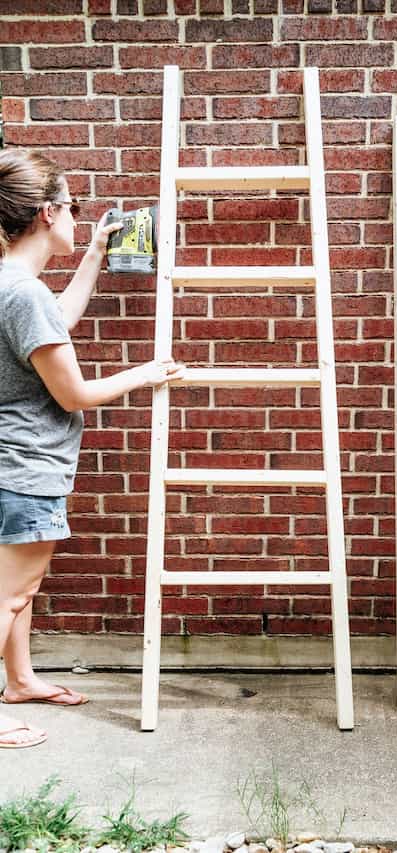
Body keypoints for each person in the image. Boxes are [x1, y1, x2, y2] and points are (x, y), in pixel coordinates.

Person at [0, 149, 184, 748]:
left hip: (11, 463)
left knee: (15, 593)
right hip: (27, 467)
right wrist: (146, 373)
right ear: (49, 213)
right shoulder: (22, 294)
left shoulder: (15, 286)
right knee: (11, 594)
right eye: (73, 207)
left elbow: (55, 322)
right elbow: (74, 393)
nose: (78, 217)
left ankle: (21, 682)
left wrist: (95, 257)